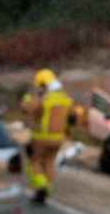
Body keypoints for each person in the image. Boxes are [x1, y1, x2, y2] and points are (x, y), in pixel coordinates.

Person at [22, 69, 73, 204]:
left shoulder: (44, 98)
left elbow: (28, 108)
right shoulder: (65, 98)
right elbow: (72, 117)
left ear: (43, 84)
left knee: (34, 162)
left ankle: (41, 187)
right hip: (58, 139)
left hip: (41, 137)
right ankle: (47, 190)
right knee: (50, 162)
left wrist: (29, 97)